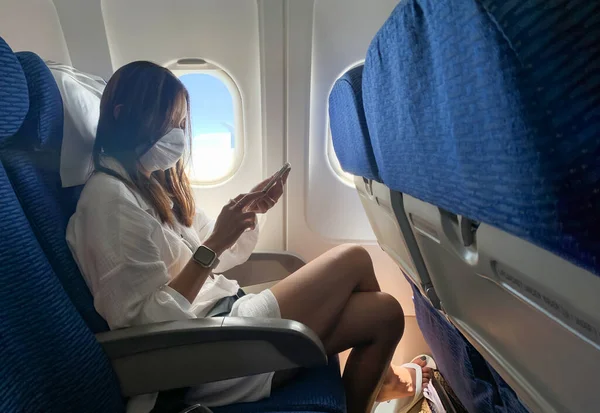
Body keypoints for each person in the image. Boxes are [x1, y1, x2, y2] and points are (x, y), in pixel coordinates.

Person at [66, 61, 432, 413]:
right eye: (168, 123)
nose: (177, 136)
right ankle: (383, 381)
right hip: (197, 355)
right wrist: (212, 246)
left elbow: (212, 254)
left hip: (221, 321)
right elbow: (144, 326)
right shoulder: (108, 202)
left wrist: (247, 214)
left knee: (385, 316)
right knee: (354, 258)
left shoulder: (150, 185)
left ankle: (375, 388)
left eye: (181, 124)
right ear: (121, 114)